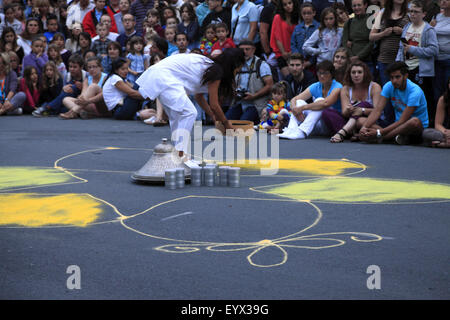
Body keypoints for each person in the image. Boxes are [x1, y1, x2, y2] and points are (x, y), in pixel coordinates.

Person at [136, 48, 246, 157]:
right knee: (189, 113)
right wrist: (226, 124)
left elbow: (199, 96)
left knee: (177, 116)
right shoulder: (216, 71)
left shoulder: (211, 67)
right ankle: (180, 154)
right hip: (164, 77)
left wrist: (213, 115)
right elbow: (214, 104)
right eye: (239, 68)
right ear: (234, 64)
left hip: (160, 75)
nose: (238, 71)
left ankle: (178, 154)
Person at [359, 61, 428, 145]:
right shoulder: (388, 86)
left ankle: (383, 138)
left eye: (397, 77)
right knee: (361, 121)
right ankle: (394, 137)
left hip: (413, 127)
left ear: (405, 76)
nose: (394, 81)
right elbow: (377, 110)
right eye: (391, 77)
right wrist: (364, 128)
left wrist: (379, 133)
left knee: (414, 121)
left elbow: (403, 120)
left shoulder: (415, 91)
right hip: (396, 126)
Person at [395, 0, 438, 127]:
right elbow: (400, 47)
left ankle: (426, 125)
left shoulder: (428, 29)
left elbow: (434, 50)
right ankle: (407, 125)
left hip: (421, 69)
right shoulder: (407, 27)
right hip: (406, 67)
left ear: (424, 14)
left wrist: (413, 50)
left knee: (424, 98)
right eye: (411, 11)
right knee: (407, 98)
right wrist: (398, 64)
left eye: (416, 12)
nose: (413, 14)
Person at [278, 60, 343, 140]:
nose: (322, 76)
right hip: (317, 125)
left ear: (331, 74)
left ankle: (302, 132)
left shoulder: (338, 86)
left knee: (320, 100)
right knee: (299, 102)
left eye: (325, 73)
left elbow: (325, 103)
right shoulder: (316, 86)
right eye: (319, 73)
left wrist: (302, 108)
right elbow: (294, 99)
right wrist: (295, 109)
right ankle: (292, 129)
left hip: (331, 125)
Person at [330, 59, 382, 142]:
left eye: (359, 72)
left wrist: (362, 110)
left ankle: (343, 132)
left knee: (361, 115)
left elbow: (377, 111)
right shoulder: (345, 89)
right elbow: (344, 113)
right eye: (353, 72)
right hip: (351, 119)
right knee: (327, 112)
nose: (356, 75)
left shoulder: (374, 87)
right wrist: (349, 110)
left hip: (371, 120)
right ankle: (354, 133)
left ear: (365, 74)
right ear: (349, 74)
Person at [225, 40, 274, 124]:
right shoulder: (236, 64)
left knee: (242, 124)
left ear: (254, 50)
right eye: (242, 50)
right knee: (225, 122)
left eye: (247, 49)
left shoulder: (261, 64)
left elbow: (269, 85)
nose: (244, 52)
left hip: (255, 104)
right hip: (239, 102)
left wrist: (254, 95)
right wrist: (234, 92)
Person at [369, 0, 409, 86]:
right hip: (384, 59)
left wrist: (402, 32)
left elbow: (416, 34)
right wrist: (383, 33)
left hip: (402, 59)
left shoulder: (409, 13)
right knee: (387, 89)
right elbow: (371, 36)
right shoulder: (382, 13)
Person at [270, 0, 299, 79]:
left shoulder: (297, 18)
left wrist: (292, 51)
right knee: (289, 78)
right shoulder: (278, 17)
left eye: (290, 3)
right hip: (281, 53)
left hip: (294, 52)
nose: (288, 6)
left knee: (296, 78)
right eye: (285, 4)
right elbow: (277, 37)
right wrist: (284, 53)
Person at [342, 0, 374, 70]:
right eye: (354, 6)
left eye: (359, 5)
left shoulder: (371, 20)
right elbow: (344, 42)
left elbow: (372, 42)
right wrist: (351, 56)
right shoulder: (349, 22)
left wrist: (359, 56)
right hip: (351, 61)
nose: (357, 8)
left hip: (367, 60)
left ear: (365, 5)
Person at [290, 2, 320, 71]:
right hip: (299, 61)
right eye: (304, 13)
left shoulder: (319, 27)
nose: (306, 16)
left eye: (309, 13)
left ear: (314, 13)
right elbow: (293, 44)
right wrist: (298, 58)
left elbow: (319, 46)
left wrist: (310, 61)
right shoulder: (297, 28)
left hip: (313, 62)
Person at [422, 77, 450, 148]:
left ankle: (441, 144)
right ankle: (447, 142)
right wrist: (446, 133)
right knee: (426, 133)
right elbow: (438, 124)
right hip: (446, 133)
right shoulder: (443, 99)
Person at [433, 0, 450, 108]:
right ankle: (438, 119)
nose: (443, 1)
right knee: (437, 90)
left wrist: (434, 28)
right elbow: (428, 30)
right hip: (436, 59)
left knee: (448, 89)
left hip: (449, 59)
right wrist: (431, 27)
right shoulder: (436, 17)